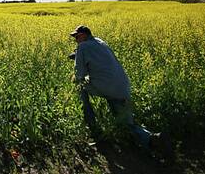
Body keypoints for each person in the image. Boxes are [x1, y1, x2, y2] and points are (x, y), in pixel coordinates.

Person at [69, 25, 170, 154]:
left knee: (80, 87)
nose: (76, 40)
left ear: (83, 35)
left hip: (107, 87)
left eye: (77, 37)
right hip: (123, 87)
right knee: (126, 123)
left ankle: (93, 128)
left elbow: (79, 75)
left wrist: (78, 60)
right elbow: (100, 60)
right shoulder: (101, 42)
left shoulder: (82, 47)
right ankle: (153, 138)